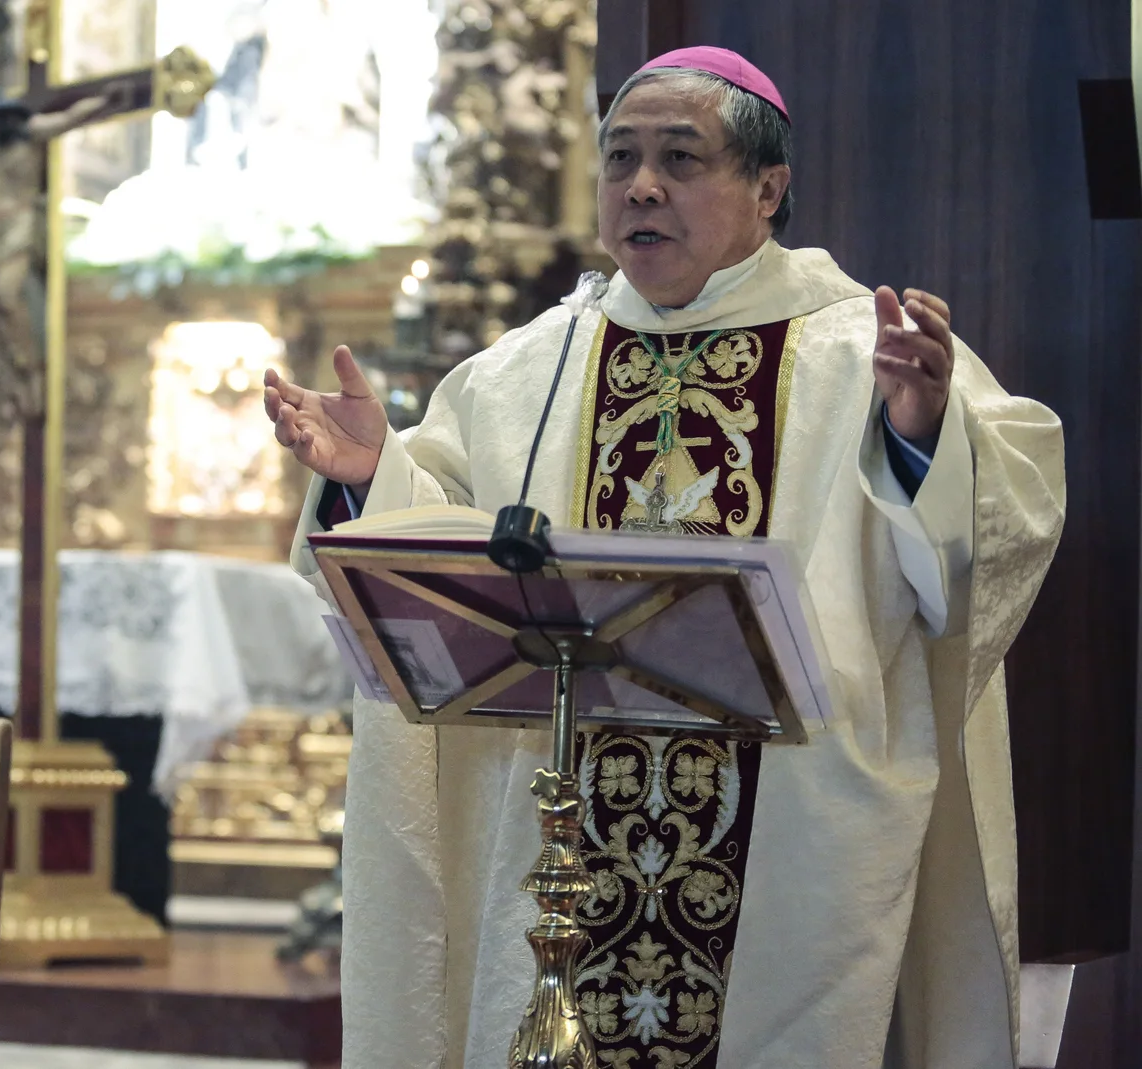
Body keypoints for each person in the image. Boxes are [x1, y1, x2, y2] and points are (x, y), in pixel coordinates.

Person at [265, 47, 1064, 1069]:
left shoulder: (854, 346)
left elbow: (988, 542)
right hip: (559, 831)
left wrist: (919, 434)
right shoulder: (531, 365)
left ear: (767, 189)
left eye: (681, 159)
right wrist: (372, 477)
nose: (641, 186)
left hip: (788, 830)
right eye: (620, 160)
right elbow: (446, 566)